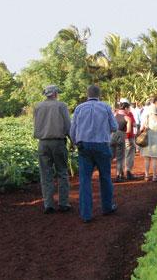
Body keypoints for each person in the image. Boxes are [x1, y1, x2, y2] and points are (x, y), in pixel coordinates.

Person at [70, 85, 118, 223]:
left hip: (84, 146)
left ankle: (86, 214)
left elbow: (73, 129)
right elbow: (114, 127)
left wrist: (74, 142)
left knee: (85, 180)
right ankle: (107, 207)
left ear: (87, 94)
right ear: (99, 95)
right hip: (102, 145)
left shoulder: (79, 108)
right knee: (105, 177)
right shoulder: (106, 107)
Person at [33, 85, 71, 214]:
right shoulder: (61, 105)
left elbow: (36, 124)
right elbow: (68, 125)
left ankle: (48, 204)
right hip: (58, 142)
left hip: (42, 143)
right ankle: (64, 203)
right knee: (62, 172)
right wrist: (73, 141)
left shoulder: (38, 106)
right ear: (55, 93)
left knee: (45, 174)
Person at [140, 96, 157, 181]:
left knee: (147, 158)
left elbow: (141, 128)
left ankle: (146, 175)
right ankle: (154, 176)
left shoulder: (147, 116)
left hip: (148, 138)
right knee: (154, 159)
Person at [111, 100, 129, 182]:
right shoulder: (127, 118)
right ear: (125, 108)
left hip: (112, 136)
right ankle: (119, 175)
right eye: (128, 109)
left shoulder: (115, 115)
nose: (129, 110)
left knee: (110, 157)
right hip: (121, 136)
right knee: (120, 157)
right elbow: (128, 130)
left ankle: (106, 174)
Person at [121, 98, 138, 180]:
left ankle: (120, 173)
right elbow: (134, 124)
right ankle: (128, 171)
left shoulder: (117, 113)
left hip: (120, 137)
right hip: (128, 137)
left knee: (121, 155)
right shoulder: (129, 114)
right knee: (129, 155)